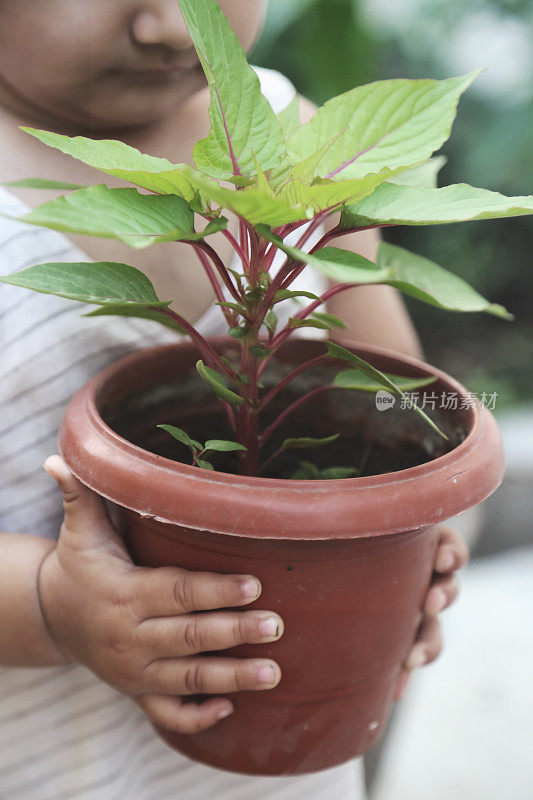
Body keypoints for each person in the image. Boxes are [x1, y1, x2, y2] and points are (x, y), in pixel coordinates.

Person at [0, 2, 468, 798]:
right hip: (55, 760)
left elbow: (403, 408)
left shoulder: (301, 145)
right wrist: (52, 607)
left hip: (292, 743)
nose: (175, 27)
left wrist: (413, 541)